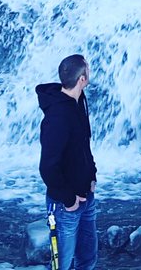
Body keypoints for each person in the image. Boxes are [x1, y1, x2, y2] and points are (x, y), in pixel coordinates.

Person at [37, 53, 98, 270]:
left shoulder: (78, 101)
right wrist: (69, 199)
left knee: (88, 259)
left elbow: (83, 145)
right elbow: (47, 167)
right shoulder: (57, 118)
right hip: (66, 206)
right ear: (82, 78)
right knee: (62, 264)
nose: (90, 73)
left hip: (86, 197)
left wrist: (92, 176)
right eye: (88, 70)